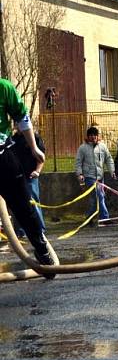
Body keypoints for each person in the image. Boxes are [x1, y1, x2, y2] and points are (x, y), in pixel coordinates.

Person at [0, 78, 55, 275]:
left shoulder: (3, 87)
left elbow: (22, 117)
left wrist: (33, 148)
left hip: (3, 157)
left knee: (24, 206)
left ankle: (42, 251)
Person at [75, 126, 115, 224]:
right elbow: (78, 162)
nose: (93, 137)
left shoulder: (103, 146)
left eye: (95, 135)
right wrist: (80, 174)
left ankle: (89, 218)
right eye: (91, 135)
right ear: (88, 137)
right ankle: (105, 218)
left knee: (95, 199)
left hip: (100, 177)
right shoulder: (83, 148)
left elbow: (108, 159)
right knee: (100, 196)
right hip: (89, 177)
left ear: (97, 136)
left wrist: (112, 171)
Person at [10, 128, 46, 237]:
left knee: (32, 202)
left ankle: (39, 229)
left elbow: (41, 157)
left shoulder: (34, 138)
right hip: (16, 176)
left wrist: (37, 171)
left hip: (31, 176)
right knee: (18, 203)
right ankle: (21, 231)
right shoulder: (13, 139)